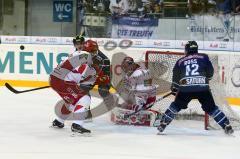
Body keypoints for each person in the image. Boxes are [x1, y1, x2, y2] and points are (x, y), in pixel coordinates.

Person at [157, 41, 234, 134]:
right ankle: (226, 125)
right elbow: (210, 72)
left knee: (176, 105)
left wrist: (175, 88)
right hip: (202, 88)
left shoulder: (180, 61)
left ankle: (163, 122)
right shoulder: (204, 57)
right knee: (211, 108)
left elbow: (176, 78)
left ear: (187, 50)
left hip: (186, 89)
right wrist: (205, 79)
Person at [111, 56, 157, 126]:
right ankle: (136, 109)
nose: (125, 69)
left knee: (134, 108)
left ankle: (148, 113)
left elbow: (144, 92)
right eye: (124, 67)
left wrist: (137, 107)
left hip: (148, 99)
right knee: (122, 105)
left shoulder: (142, 73)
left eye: (126, 67)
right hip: (136, 95)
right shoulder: (130, 71)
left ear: (131, 65)